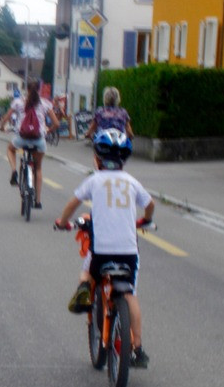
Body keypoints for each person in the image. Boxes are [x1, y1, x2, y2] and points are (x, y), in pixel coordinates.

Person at [55, 129, 154, 369]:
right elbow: (149, 204)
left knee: (89, 269)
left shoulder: (94, 180)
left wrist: (62, 222)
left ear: (97, 158)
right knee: (130, 294)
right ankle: (138, 348)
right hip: (128, 252)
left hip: (102, 251)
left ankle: (84, 289)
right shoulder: (131, 182)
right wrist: (146, 220)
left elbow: (72, 204)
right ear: (124, 160)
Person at [2, 82, 59, 209]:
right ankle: (38, 201)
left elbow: (7, 117)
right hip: (38, 140)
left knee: (10, 149)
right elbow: (56, 123)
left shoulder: (18, 102)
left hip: (21, 138)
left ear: (26, 89)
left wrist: (1, 126)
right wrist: (48, 130)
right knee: (38, 168)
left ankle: (14, 171)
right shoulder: (45, 103)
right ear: (39, 89)